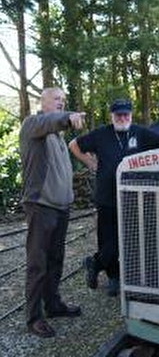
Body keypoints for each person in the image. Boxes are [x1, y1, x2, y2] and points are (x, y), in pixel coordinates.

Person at [69, 99, 159, 296]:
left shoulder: (140, 132)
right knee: (108, 237)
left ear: (131, 114)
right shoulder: (101, 133)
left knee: (128, 236)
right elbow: (74, 145)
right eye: (118, 115)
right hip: (107, 194)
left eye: (126, 114)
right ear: (112, 116)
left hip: (133, 196)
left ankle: (95, 262)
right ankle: (113, 277)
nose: (123, 118)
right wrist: (89, 162)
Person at [19, 87, 85, 338]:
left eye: (64, 101)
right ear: (43, 102)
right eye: (57, 99)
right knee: (38, 263)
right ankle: (34, 318)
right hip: (41, 206)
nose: (61, 103)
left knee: (56, 259)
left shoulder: (56, 136)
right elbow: (49, 121)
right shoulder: (33, 125)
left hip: (60, 208)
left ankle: (53, 305)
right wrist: (68, 117)